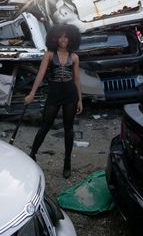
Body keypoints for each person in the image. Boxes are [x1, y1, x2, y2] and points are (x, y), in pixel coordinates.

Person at [24, 24, 83, 179]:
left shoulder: (75, 57)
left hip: (70, 94)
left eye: (66, 37)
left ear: (71, 39)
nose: (63, 40)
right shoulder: (49, 54)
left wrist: (80, 100)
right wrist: (32, 93)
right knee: (45, 126)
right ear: (55, 38)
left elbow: (77, 79)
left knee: (68, 129)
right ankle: (32, 154)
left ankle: (67, 163)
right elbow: (40, 75)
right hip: (54, 93)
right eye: (60, 36)